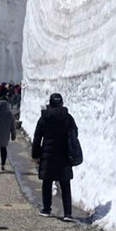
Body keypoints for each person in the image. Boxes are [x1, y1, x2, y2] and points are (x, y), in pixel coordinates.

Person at [31, 93, 78, 222]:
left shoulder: (44, 117)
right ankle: (67, 213)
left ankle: (46, 209)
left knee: (47, 181)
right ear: (62, 103)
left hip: (48, 153)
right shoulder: (68, 118)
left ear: (50, 103)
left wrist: (36, 154)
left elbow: (37, 138)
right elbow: (75, 134)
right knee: (65, 183)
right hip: (64, 154)